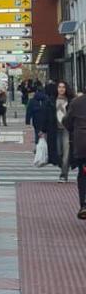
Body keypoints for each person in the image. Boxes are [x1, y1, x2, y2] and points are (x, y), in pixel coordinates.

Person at [63, 87, 86, 219]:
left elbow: (67, 122)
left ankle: (83, 204)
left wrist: (74, 129)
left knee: (82, 175)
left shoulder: (76, 103)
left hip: (82, 144)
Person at [54, 81, 72, 182]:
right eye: (59, 87)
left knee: (66, 153)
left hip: (66, 129)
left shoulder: (70, 101)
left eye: (63, 87)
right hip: (56, 129)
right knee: (58, 152)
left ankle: (63, 175)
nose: (61, 89)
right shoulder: (52, 100)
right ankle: (64, 166)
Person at [26, 83, 51, 152]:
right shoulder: (47, 99)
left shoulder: (32, 100)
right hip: (46, 119)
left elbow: (29, 111)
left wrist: (27, 121)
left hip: (36, 119)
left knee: (37, 133)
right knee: (46, 133)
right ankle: (46, 147)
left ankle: (37, 146)